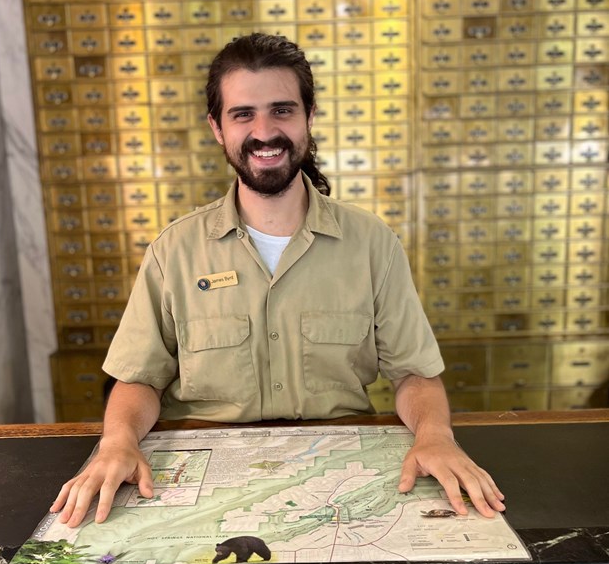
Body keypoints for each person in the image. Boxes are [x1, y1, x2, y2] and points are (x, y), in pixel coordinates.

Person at [52, 32, 505, 528]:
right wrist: (117, 442)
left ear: (309, 117)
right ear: (216, 128)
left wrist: (435, 434)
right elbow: (139, 377)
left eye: (282, 110)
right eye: (242, 114)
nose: (264, 131)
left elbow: (415, 373)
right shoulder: (174, 251)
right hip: (205, 484)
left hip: (339, 480)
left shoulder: (373, 244)